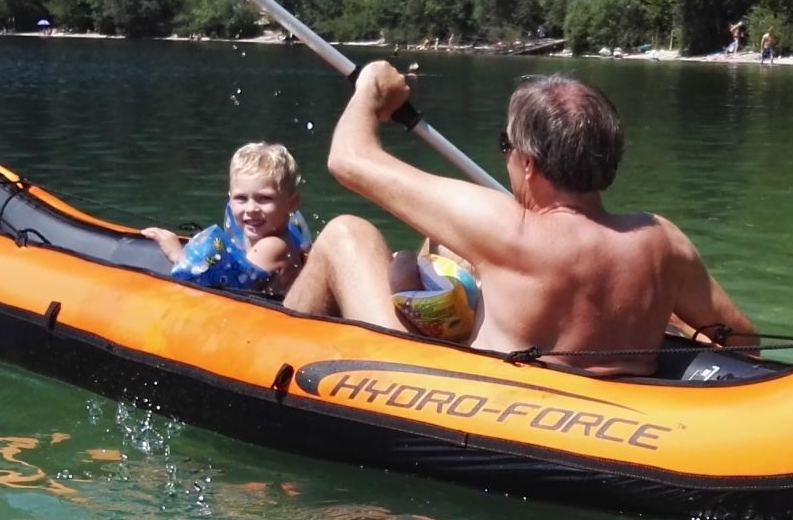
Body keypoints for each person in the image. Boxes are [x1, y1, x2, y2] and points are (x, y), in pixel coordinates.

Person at [283, 63, 757, 375]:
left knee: (348, 233)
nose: (506, 157)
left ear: (528, 163)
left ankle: (267, 361)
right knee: (439, 248)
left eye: (505, 146)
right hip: (609, 420)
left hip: (475, 401)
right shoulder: (662, 242)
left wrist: (371, 88)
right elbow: (743, 341)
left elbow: (347, 159)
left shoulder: (508, 228)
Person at [142, 141, 310, 296]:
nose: (251, 209)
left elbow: (228, 289)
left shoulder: (273, 245)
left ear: (292, 203)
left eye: (264, 198)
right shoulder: (274, 237)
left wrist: (178, 255)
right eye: (241, 198)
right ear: (230, 198)